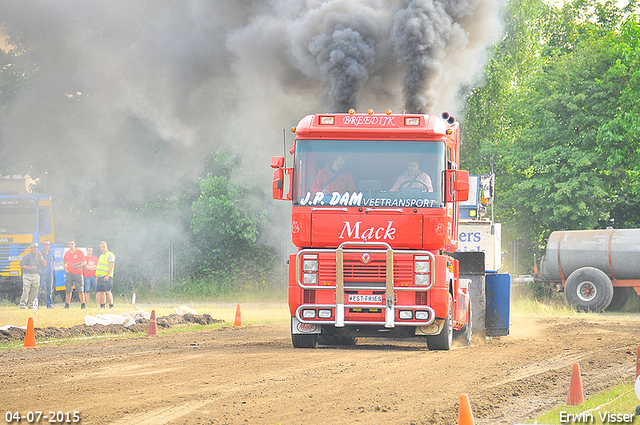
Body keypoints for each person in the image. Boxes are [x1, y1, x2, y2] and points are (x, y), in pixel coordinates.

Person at [19, 243, 46, 309]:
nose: (36, 248)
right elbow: (22, 266)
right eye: (34, 247)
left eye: (37, 247)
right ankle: (23, 305)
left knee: (35, 291)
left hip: (36, 275)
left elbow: (45, 264)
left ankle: (31, 305)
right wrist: (31, 268)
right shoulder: (27, 256)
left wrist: (41, 257)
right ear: (31, 248)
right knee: (26, 290)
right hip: (27, 275)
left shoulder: (39, 256)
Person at [63, 239, 86, 309]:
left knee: (80, 289)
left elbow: (85, 262)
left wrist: (79, 265)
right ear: (68, 245)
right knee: (68, 289)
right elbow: (64, 262)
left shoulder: (80, 252)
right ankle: (67, 305)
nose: (71, 245)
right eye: (69, 244)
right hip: (70, 273)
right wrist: (66, 269)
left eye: (72, 244)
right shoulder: (67, 253)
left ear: (74, 244)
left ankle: (83, 305)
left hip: (78, 273)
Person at [96, 241, 116, 309]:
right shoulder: (101, 256)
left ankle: (111, 305)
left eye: (103, 247)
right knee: (101, 291)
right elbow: (99, 267)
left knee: (108, 291)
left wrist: (107, 275)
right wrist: (97, 276)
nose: (102, 248)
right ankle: (103, 304)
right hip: (100, 276)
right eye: (101, 247)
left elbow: (111, 265)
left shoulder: (110, 254)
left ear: (106, 247)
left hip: (107, 276)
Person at [38, 240, 56, 309]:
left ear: (49, 246)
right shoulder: (40, 253)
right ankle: (36, 305)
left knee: (49, 290)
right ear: (42, 245)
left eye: (47, 245)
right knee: (39, 290)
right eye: (45, 245)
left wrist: (52, 269)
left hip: (49, 274)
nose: (46, 246)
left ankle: (49, 304)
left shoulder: (51, 253)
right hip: (42, 274)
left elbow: (53, 261)